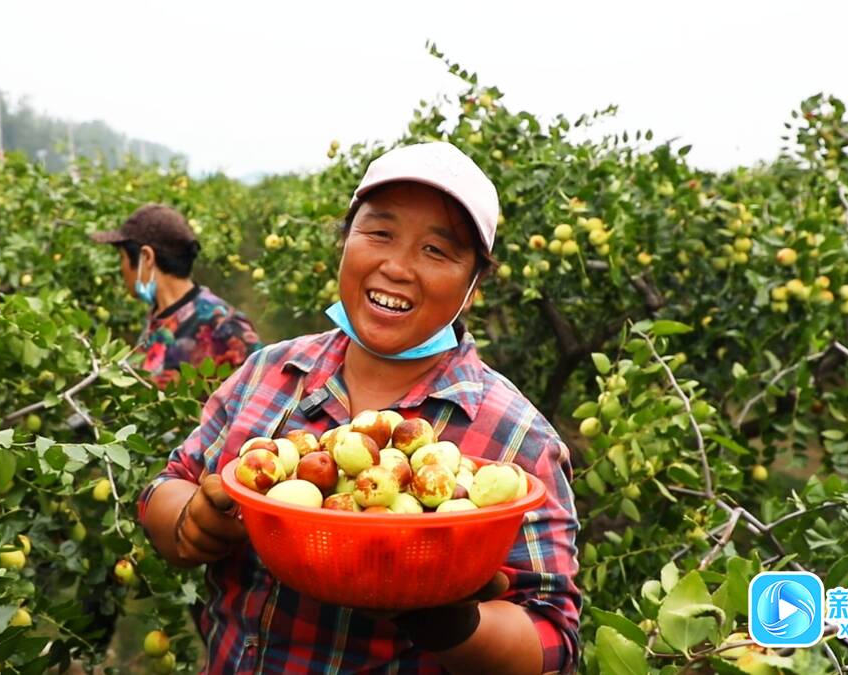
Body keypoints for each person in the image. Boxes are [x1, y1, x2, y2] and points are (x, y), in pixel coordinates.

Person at [139, 143, 581, 674]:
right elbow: (169, 482)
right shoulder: (268, 374)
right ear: (345, 241)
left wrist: (452, 625)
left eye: (437, 251)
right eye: (379, 233)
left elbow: (553, 641)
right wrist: (193, 523)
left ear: (474, 284)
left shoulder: (516, 439)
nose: (397, 267)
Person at [90, 204, 263, 387]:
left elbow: (265, 399)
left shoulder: (225, 327)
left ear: (146, 257)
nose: (121, 267)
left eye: (122, 257)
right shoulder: (158, 317)